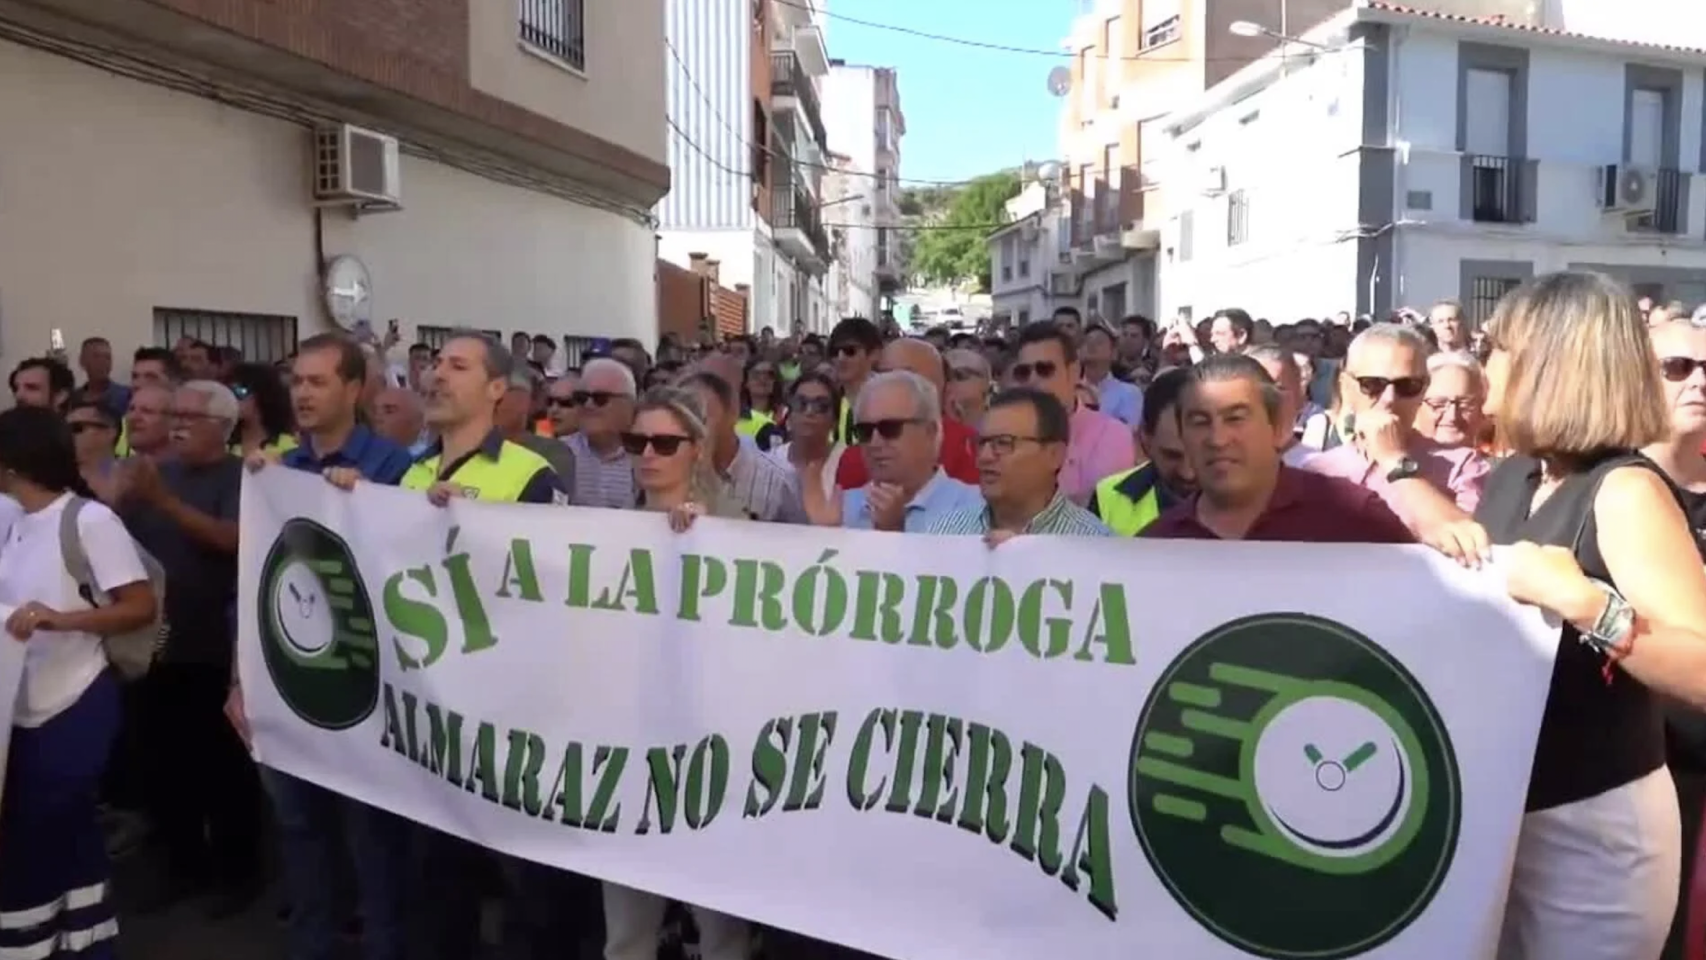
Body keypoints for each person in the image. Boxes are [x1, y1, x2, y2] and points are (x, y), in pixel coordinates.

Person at [1464, 272, 1706, 959]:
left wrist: (1585, 604)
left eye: (1498, 349)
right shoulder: (1516, 474)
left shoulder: (1624, 491)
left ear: (1552, 365)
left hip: (1595, 829)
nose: (1486, 368)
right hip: (1509, 811)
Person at [326, 331, 564, 960]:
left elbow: (550, 593)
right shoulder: (410, 473)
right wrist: (348, 505)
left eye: (458, 367)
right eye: (434, 365)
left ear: (496, 390)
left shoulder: (531, 474)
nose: (435, 376)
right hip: (426, 720)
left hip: (504, 724)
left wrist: (476, 532)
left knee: (525, 896)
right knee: (436, 887)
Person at [236, 333, 414, 960]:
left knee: (374, 850)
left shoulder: (394, 468)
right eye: (297, 382)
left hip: (364, 693)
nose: (303, 394)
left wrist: (365, 502)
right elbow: (257, 580)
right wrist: (242, 680)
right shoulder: (277, 470)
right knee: (302, 834)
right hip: (293, 686)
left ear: (354, 389)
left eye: (317, 382)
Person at [0, 406, 156, 960]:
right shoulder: (15, 520)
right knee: (69, 831)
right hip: (21, 702)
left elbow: (139, 605)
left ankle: (27, 945)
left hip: (76, 700)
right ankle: (90, 942)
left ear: (15, 464)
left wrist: (61, 620)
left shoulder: (88, 521)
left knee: (34, 829)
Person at [115, 381, 260, 915]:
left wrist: (163, 502)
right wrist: (125, 499)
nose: (174, 424)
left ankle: (237, 877)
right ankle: (183, 868)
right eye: (172, 413)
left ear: (222, 428)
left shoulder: (238, 477)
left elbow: (232, 539)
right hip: (154, 643)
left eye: (188, 417)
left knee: (222, 771)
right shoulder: (157, 473)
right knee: (163, 767)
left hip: (214, 645)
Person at [1140, 355, 1415, 542]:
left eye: (1235, 418)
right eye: (1199, 422)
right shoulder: (1157, 544)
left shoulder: (1354, 516)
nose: (1217, 439)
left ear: (1279, 426)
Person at [925, 388, 1112, 539]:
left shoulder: (1096, 546)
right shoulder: (944, 534)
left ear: (1054, 455)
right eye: (981, 443)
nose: (985, 456)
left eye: (1003, 443)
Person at [1005, 321, 1135, 504]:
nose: (1032, 380)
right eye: (1024, 372)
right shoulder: (1004, 436)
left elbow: (1100, 505)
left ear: (1074, 372)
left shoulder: (1111, 434)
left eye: (1045, 370)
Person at [838, 370, 980, 531]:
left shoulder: (977, 509)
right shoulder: (840, 508)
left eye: (890, 428)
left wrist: (892, 532)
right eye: (865, 431)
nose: (874, 443)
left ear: (929, 432)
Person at [1090, 367, 1194, 536]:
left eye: (1199, 454)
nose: (1188, 472)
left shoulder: (1250, 500)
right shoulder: (1109, 497)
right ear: (1145, 437)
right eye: (1172, 456)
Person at [767, 372, 846, 525]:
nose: (809, 412)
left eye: (821, 406)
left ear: (835, 421)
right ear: (789, 415)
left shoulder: (851, 461)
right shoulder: (769, 462)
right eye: (801, 403)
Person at [228, 362, 299, 457]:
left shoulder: (288, 446)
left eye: (240, 391)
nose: (232, 397)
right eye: (229, 390)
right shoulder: (223, 445)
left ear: (262, 394)